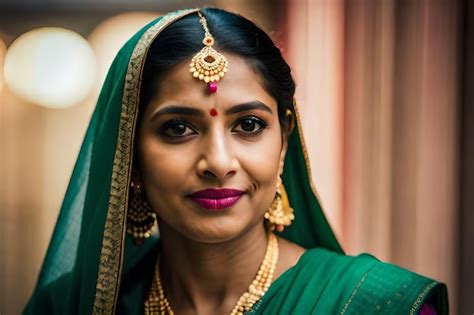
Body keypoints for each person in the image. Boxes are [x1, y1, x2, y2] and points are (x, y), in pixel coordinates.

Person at [24, 8, 448, 315]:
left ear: (283, 144)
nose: (219, 162)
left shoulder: (375, 305)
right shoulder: (73, 304)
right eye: (177, 129)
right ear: (129, 158)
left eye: (248, 124)